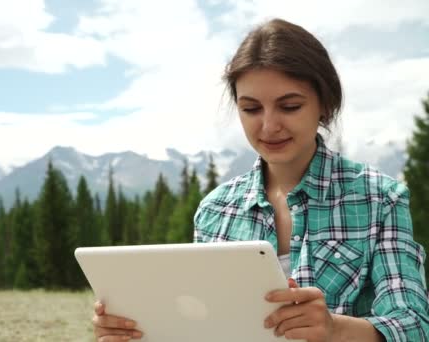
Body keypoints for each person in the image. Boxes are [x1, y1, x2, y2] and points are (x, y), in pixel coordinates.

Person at [91, 18, 429, 341]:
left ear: (324, 104)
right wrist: (137, 332)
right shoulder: (215, 211)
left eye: (290, 106)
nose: (268, 127)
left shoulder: (379, 198)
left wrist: (335, 330)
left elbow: (413, 325)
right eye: (251, 109)